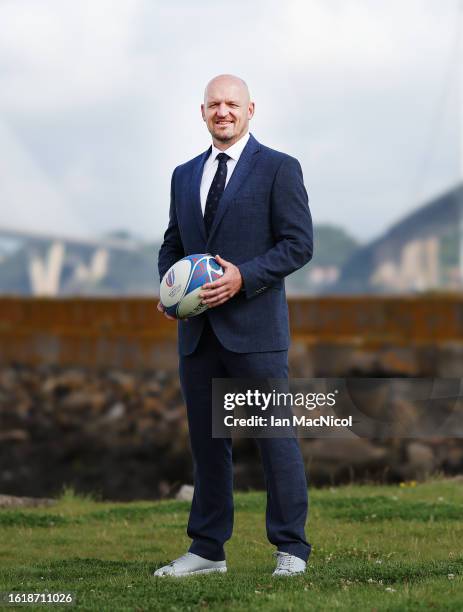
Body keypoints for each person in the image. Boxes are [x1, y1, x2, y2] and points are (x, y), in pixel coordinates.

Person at [155, 74, 313, 577]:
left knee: (276, 440)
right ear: (202, 112)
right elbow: (173, 244)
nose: (223, 112)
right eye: (214, 104)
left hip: (257, 332)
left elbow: (297, 244)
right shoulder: (183, 174)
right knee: (207, 445)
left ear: (250, 109)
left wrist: (244, 277)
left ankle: (291, 550)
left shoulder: (278, 168)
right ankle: (207, 551)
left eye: (232, 104)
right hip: (198, 334)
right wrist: (170, 289)